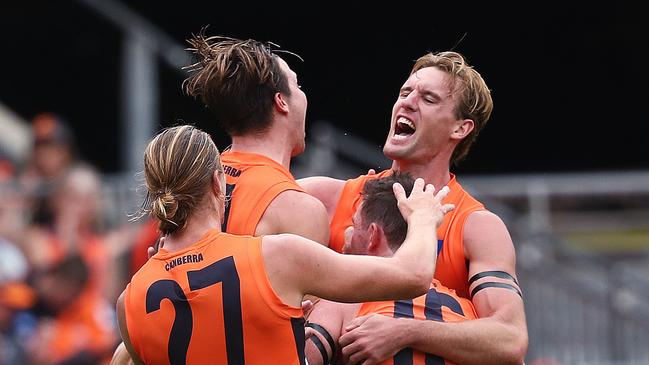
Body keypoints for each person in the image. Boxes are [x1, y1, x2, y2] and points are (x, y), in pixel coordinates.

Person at [114, 125, 453, 364]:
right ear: (218, 182)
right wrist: (423, 217)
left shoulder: (130, 301)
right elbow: (413, 275)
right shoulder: (276, 256)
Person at [299, 51, 528, 364]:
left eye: (429, 98)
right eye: (405, 92)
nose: (407, 102)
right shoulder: (325, 199)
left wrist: (404, 331)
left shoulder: (476, 226)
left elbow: (511, 340)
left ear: (460, 128)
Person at [303, 173, 477, 365]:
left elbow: (301, 359)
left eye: (354, 224)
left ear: (373, 236)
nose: (348, 232)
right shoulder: (467, 314)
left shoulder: (342, 302)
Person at [182, 33, 329, 243]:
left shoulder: (191, 184)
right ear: (281, 102)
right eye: (297, 86)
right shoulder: (298, 209)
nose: (302, 95)